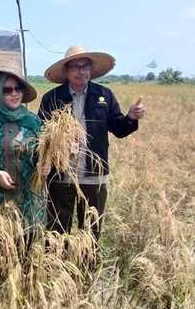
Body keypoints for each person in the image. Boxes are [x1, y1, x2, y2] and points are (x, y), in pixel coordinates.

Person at [38, 46, 145, 243]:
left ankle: (87, 271)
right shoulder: (52, 98)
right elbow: (41, 137)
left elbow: (119, 129)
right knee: (56, 231)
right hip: (62, 177)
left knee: (90, 232)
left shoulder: (104, 95)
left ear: (91, 69)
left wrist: (130, 117)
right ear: (67, 71)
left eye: (85, 66)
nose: (81, 71)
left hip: (94, 178)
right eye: (75, 66)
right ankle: (55, 270)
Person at [0, 58, 45, 245]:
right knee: (0, 254)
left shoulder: (34, 121)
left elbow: (44, 156)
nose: (14, 94)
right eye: (7, 90)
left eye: (18, 88)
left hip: (30, 202)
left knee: (27, 251)